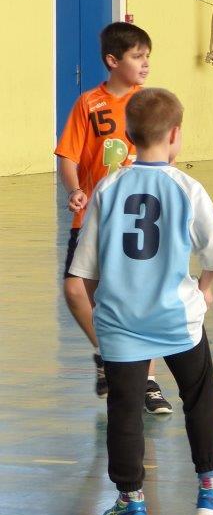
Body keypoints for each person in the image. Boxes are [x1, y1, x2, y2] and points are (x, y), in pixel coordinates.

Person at [69, 87, 213, 515]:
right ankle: (211, 491)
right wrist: (204, 289)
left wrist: (108, 305)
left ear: (128, 135)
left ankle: (131, 503)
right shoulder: (187, 188)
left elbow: (84, 270)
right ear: (175, 135)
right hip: (176, 317)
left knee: (124, 408)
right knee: (198, 395)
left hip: (121, 320)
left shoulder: (108, 187)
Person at [55, 21, 172, 413]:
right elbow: (68, 155)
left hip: (137, 218)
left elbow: (168, 158)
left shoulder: (150, 104)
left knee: (139, 300)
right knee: (76, 291)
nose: (145, 64)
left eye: (147, 56)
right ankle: (107, 354)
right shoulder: (88, 104)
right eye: (137, 57)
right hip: (93, 218)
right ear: (112, 61)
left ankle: (148, 381)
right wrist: (75, 189)